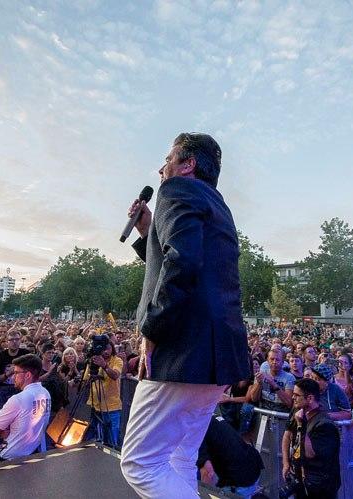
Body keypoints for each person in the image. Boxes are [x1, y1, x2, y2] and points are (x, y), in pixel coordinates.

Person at [121, 133, 250, 498]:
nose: (161, 169)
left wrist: (153, 327)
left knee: (140, 464)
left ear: (187, 164)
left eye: (168, 159)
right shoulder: (217, 204)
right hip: (216, 354)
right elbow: (186, 261)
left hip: (183, 350)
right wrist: (149, 230)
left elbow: (183, 263)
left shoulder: (176, 189)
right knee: (181, 455)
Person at [281, 378, 341, 499]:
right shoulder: (298, 412)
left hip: (319, 486)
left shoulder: (324, 424)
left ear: (310, 398)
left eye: (297, 395)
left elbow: (310, 453)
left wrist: (301, 425)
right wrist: (286, 463)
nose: (293, 397)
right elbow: (287, 436)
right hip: (302, 480)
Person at [0, 354, 51, 460]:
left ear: (27, 375)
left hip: (11, 459)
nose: (13, 377)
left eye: (16, 373)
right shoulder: (45, 393)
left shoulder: (18, 399)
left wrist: (5, 431)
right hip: (35, 453)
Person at [197, 415, 264, 498]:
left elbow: (207, 473)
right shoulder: (208, 417)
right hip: (252, 462)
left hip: (239, 479)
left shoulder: (197, 431)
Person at [82, 337, 123, 448]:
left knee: (112, 439)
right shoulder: (93, 360)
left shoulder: (117, 360)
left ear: (112, 348)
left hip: (112, 407)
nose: (106, 351)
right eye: (103, 349)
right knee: (95, 437)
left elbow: (115, 375)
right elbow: (86, 380)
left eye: (108, 348)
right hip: (95, 406)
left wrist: (104, 365)